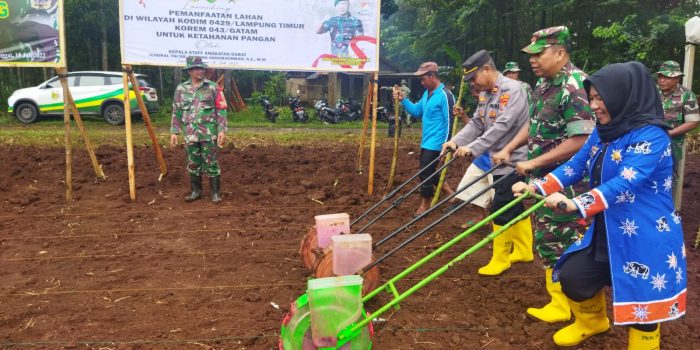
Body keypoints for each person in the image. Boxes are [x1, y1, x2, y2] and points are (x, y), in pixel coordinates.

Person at [513, 61, 686, 349]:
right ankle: (592, 322)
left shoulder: (652, 136)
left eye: (599, 98)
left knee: (642, 303)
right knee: (573, 277)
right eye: (591, 98)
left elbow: (626, 182)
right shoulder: (604, 131)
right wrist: (538, 186)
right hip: (608, 230)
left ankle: (645, 344)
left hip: (644, 235)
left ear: (624, 95)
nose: (593, 105)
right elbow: (576, 165)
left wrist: (575, 204)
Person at [492, 26, 595, 323]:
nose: (532, 60)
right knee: (547, 237)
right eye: (531, 55)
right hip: (543, 179)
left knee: (561, 238)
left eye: (540, 54)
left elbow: (580, 141)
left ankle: (572, 307)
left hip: (569, 182)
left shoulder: (575, 86)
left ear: (561, 53)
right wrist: (511, 148)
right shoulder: (544, 84)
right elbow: (535, 124)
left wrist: (535, 164)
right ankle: (559, 300)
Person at [443, 50, 533, 276]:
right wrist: (455, 142)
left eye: (474, 78)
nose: (473, 83)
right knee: (513, 204)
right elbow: (476, 124)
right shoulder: (485, 94)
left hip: (515, 160)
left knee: (500, 208)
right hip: (496, 160)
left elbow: (501, 126)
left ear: (487, 69)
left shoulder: (513, 91)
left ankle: (500, 258)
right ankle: (523, 250)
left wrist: (472, 148)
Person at [393, 61, 456, 216]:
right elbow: (416, 112)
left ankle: (425, 204)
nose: (421, 82)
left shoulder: (445, 95)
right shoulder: (427, 95)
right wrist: (403, 99)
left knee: (425, 173)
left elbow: (450, 122)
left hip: (437, 143)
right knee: (431, 172)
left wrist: (447, 145)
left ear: (433, 76)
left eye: (423, 79)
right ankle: (451, 195)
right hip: (426, 141)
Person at [170, 56, 228, 203]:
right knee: (193, 163)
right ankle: (196, 191)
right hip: (190, 134)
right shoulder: (181, 89)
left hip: (209, 134)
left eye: (202, 68)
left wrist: (222, 130)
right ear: (189, 70)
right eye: (196, 68)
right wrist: (174, 131)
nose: (200, 71)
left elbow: (221, 110)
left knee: (211, 162)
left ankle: (215, 193)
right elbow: (176, 111)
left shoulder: (213, 87)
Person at [656, 60, 700, 200]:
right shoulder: (653, 92)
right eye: (660, 76)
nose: (662, 80)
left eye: (667, 77)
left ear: (677, 78)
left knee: (668, 178)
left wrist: (670, 133)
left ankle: (668, 210)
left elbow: (693, 122)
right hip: (650, 141)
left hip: (672, 145)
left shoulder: (686, 95)